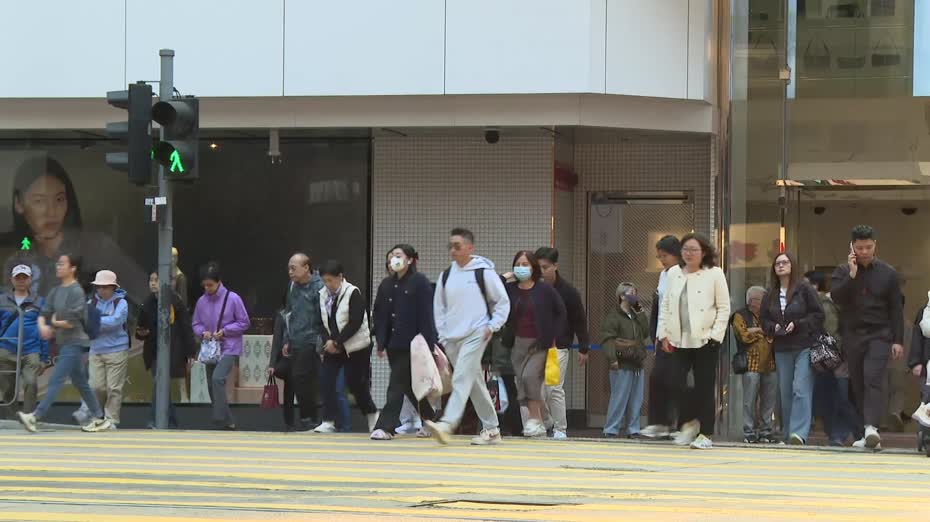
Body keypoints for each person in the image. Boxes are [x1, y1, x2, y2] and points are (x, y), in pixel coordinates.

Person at [2, 156, 147, 301]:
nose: (51, 212)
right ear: (19, 203)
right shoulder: (18, 262)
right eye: (39, 201)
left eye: (59, 199)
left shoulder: (96, 247)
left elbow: (142, 292)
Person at [425, 228, 511, 445]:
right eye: (450, 246)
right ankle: (492, 429)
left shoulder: (484, 273)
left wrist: (493, 326)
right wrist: (443, 336)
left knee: (461, 378)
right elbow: (439, 308)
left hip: (477, 333)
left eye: (457, 246)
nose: (452, 250)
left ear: (470, 248)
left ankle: (447, 423)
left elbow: (502, 302)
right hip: (451, 339)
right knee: (473, 382)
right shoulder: (446, 275)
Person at [16, 254, 111, 432]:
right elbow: (44, 313)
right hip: (64, 341)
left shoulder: (77, 292)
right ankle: (100, 417)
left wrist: (52, 323)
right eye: (58, 264)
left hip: (74, 342)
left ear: (72, 268)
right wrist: (44, 324)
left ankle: (35, 416)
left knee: (56, 379)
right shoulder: (56, 291)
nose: (58, 266)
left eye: (62, 264)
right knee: (81, 382)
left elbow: (72, 321)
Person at [830, 225, 904, 449]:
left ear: (875, 246)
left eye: (868, 247)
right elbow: (837, 298)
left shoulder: (888, 273)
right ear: (852, 247)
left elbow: (895, 309)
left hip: (880, 334)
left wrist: (898, 340)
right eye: (859, 247)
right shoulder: (843, 271)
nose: (864, 252)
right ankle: (867, 431)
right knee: (858, 383)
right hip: (853, 335)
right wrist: (852, 275)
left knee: (873, 378)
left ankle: (872, 427)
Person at [655, 233, 730, 450]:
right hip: (679, 338)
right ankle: (689, 421)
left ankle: (705, 433)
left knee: (704, 387)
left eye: (693, 249)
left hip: (706, 339)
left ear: (703, 252)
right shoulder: (674, 274)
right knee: (675, 383)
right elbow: (666, 305)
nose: (688, 253)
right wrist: (663, 334)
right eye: (685, 249)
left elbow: (724, 308)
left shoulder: (714, 274)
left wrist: (716, 336)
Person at [371, 244, 440, 440]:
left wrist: (429, 343)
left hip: (414, 344)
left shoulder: (420, 282)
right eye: (392, 256)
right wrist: (381, 343)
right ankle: (431, 420)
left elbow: (426, 315)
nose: (394, 259)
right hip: (393, 344)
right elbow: (380, 315)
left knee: (396, 384)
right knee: (408, 385)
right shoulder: (386, 285)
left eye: (399, 255)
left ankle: (385, 427)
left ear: (410, 260)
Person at [759, 253, 823, 445]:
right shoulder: (770, 293)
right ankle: (789, 434)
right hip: (782, 347)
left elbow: (818, 315)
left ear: (792, 266)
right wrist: (774, 328)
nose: (781, 266)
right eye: (777, 263)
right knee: (785, 392)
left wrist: (798, 323)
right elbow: (764, 320)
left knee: (800, 389)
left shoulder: (804, 289)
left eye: (785, 262)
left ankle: (799, 433)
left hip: (803, 345)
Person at [502, 250, 566, 438]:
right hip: (517, 342)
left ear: (533, 268)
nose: (521, 268)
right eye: (518, 265)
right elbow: (493, 289)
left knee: (531, 378)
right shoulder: (511, 289)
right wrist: (507, 276)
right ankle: (544, 420)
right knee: (521, 383)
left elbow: (560, 311)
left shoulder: (544, 289)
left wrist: (554, 335)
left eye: (525, 265)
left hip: (540, 343)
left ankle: (534, 421)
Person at [312, 260, 379, 433]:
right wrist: (328, 341)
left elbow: (355, 322)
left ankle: (372, 415)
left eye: (331, 280)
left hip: (355, 347)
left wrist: (338, 342)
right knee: (327, 382)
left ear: (340, 277)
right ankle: (328, 421)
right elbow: (319, 322)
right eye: (324, 280)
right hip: (332, 347)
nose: (328, 284)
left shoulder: (352, 293)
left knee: (356, 384)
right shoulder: (321, 295)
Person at [534, 247, 589, 440]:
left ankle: (560, 428)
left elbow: (579, 319)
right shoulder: (533, 288)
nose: (541, 271)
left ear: (555, 266)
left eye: (545, 267)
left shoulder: (568, 292)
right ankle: (547, 421)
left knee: (553, 387)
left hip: (556, 347)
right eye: (538, 267)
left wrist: (583, 346)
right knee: (534, 389)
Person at [192, 262, 251, 430]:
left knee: (218, 378)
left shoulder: (233, 298)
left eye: (210, 285)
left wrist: (225, 331)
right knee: (212, 382)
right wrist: (203, 332)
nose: (207, 288)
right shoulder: (201, 301)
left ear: (219, 282)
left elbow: (244, 322)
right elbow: (195, 323)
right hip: (210, 347)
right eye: (204, 285)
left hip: (230, 346)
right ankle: (228, 421)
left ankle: (218, 416)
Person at [806, 270, 860, 446]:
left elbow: (831, 331)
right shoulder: (829, 302)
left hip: (833, 356)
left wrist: (837, 356)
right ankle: (842, 434)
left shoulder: (824, 302)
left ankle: (853, 432)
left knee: (837, 396)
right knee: (835, 396)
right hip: (836, 355)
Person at [137, 271, 196, 429]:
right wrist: (141, 333)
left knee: (159, 383)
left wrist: (191, 353)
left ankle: (154, 419)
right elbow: (140, 329)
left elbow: (186, 328)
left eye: (157, 280)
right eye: (151, 280)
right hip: (155, 351)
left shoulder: (176, 302)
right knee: (160, 384)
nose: (153, 283)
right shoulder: (147, 304)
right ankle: (172, 421)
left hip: (173, 350)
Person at [642, 235, 687, 440]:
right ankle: (660, 423)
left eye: (665, 256)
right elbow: (659, 308)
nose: (662, 260)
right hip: (663, 336)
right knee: (658, 378)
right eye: (659, 256)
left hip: (680, 337)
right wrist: (657, 337)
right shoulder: (664, 275)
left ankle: (678, 423)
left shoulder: (684, 274)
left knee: (676, 381)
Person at [281, 253, 325, 431]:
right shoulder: (292, 286)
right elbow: (288, 313)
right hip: (295, 338)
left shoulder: (319, 286)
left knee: (302, 376)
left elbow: (323, 315)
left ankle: (309, 417)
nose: (290, 272)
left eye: (294, 268)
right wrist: (286, 339)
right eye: (289, 268)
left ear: (306, 267)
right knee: (300, 379)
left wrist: (321, 340)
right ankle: (310, 417)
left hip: (312, 338)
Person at [600, 282, 649, 438]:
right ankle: (611, 429)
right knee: (619, 397)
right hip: (622, 362)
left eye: (635, 292)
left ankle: (633, 429)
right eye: (630, 293)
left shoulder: (635, 316)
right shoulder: (613, 316)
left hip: (636, 362)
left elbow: (646, 332)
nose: (634, 295)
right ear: (621, 296)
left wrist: (641, 312)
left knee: (636, 399)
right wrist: (612, 358)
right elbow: (607, 339)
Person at [0, 265, 49, 419]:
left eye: (24, 277)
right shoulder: (2, 300)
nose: (21, 281)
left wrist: (44, 357)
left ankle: (29, 418)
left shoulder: (40, 301)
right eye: (18, 277)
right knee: (7, 389)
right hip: (6, 349)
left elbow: (44, 329)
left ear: (30, 280)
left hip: (31, 350)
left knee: (31, 383)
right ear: (11, 280)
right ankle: (13, 419)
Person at [731, 286, 777, 444]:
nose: (765, 302)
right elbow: (743, 336)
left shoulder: (768, 315)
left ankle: (766, 431)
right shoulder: (740, 315)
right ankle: (749, 432)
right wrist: (761, 330)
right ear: (752, 301)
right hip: (751, 364)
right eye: (762, 299)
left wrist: (755, 330)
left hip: (770, 364)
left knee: (769, 400)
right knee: (749, 401)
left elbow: (775, 333)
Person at [87, 270, 129, 428]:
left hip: (117, 350)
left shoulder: (121, 303)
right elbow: (85, 320)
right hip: (96, 350)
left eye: (105, 286)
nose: (101, 290)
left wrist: (96, 320)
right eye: (99, 286)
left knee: (114, 388)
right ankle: (98, 417)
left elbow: (116, 321)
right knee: (95, 386)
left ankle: (111, 420)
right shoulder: (91, 303)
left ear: (113, 287)